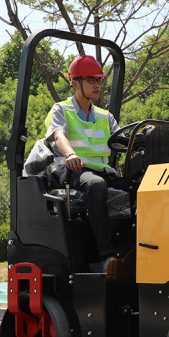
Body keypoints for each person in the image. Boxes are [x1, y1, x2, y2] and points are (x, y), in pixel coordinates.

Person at [45, 55, 132, 273]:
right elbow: (59, 136)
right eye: (91, 80)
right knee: (96, 186)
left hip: (103, 172)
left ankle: (134, 252)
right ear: (75, 83)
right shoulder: (61, 109)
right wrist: (70, 154)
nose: (97, 85)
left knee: (139, 188)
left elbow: (122, 141)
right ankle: (105, 257)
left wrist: (141, 139)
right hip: (74, 170)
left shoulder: (105, 116)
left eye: (99, 80)